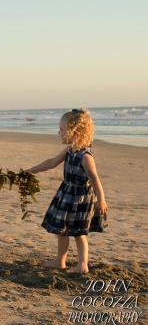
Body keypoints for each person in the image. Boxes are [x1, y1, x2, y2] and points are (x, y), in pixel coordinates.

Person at [26, 108, 108, 274]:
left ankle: (82, 265)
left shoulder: (85, 156)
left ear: (75, 131)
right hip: (66, 194)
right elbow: (51, 162)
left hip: (80, 199)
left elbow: (94, 178)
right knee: (60, 229)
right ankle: (60, 261)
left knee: (79, 232)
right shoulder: (69, 150)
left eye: (62, 129)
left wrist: (101, 200)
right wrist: (30, 171)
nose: (59, 132)